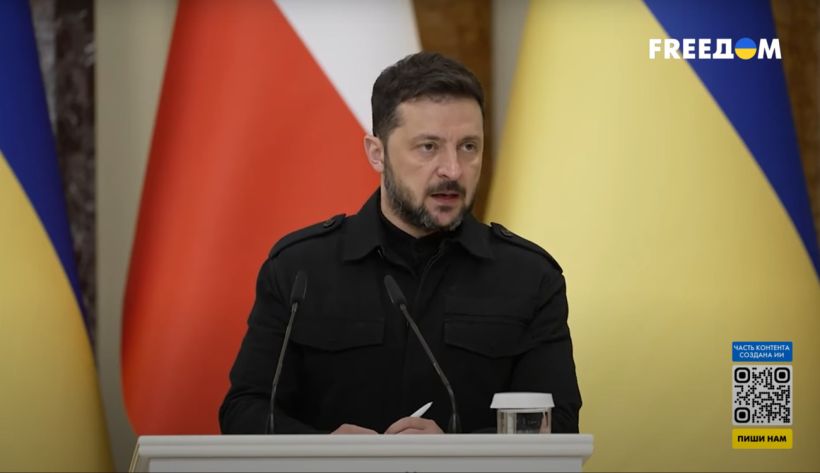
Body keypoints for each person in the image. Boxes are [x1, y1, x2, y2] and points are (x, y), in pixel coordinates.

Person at [219, 52, 581, 435]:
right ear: (377, 154)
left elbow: (557, 425)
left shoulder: (529, 277)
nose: (453, 170)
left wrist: (455, 455)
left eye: (468, 147)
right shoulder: (300, 270)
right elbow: (245, 412)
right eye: (428, 147)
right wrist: (325, 449)